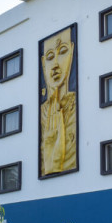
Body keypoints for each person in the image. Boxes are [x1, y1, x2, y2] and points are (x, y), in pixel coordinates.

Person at [40, 26, 77, 176]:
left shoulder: (75, 105)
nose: (55, 65)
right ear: (43, 63)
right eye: (49, 57)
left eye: (62, 52)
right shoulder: (43, 112)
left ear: (72, 52)